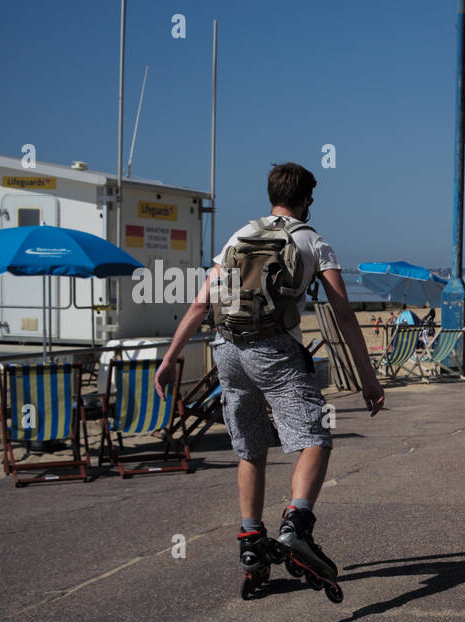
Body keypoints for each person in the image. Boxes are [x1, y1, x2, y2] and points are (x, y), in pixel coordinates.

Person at [155, 161, 384, 597]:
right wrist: (368, 378)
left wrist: (170, 358)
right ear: (307, 200)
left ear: (271, 194)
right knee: (315, 439)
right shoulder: (313, 242)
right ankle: (296, 524)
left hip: (228, 352)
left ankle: (250, 544)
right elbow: (343, 313)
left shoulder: (239, 237)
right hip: (275, 352)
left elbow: (202, 304)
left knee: (251, 448)